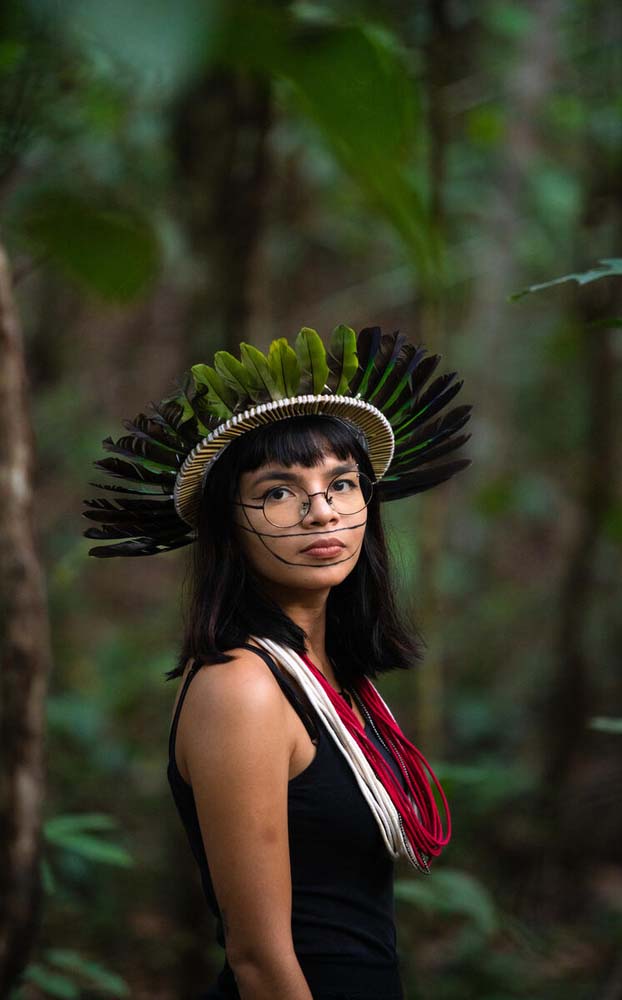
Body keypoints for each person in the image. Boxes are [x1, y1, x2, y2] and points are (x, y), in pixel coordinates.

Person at [83, 325, 472, 999]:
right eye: (277, 492)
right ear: (229, 526)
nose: (321, 512)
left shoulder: (331, 678)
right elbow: (259, 960)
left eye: (342, 484)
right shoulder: (244, 689)